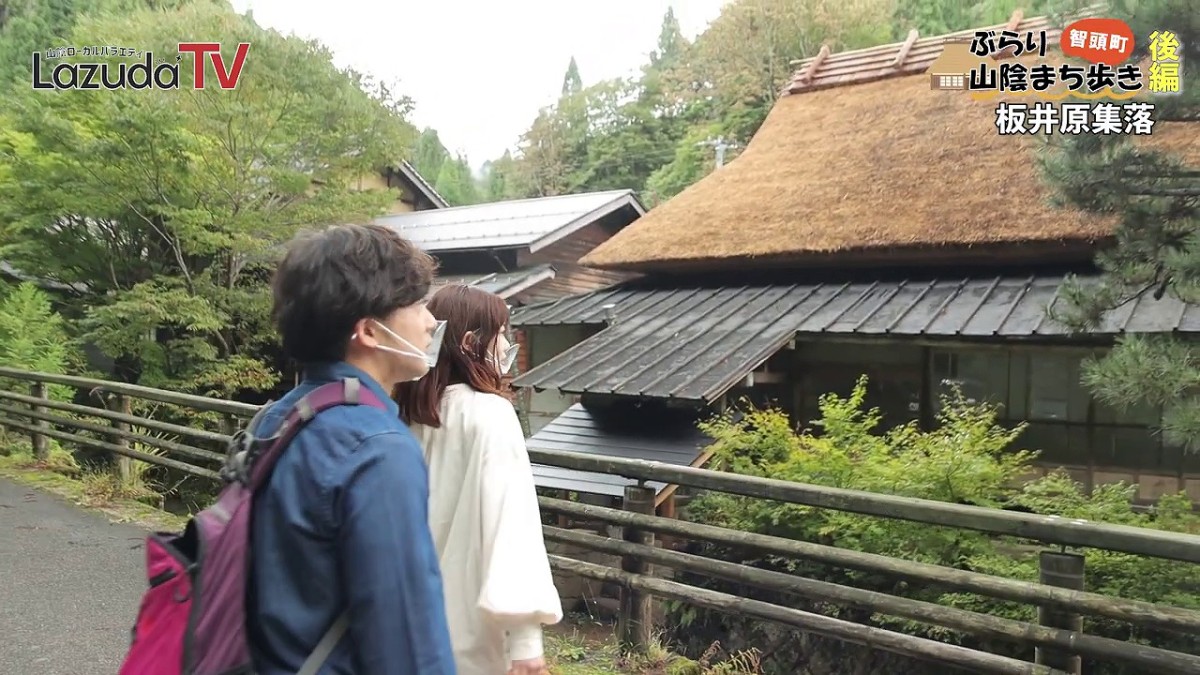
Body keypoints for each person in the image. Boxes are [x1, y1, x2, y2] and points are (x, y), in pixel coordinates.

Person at [248, 223, 457, 674]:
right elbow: (407, 641)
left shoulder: (276, 419)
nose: (428, 321)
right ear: (369, 332)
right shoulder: (377, 448)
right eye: (417, 304)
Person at [393, 284, 563, 675]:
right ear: (471, 342)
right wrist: (526, 641)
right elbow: (510, 525)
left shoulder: (403, 417)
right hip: (473, 637)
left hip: (406, 630)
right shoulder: (491, 415)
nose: (505, 345)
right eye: (501, 333)